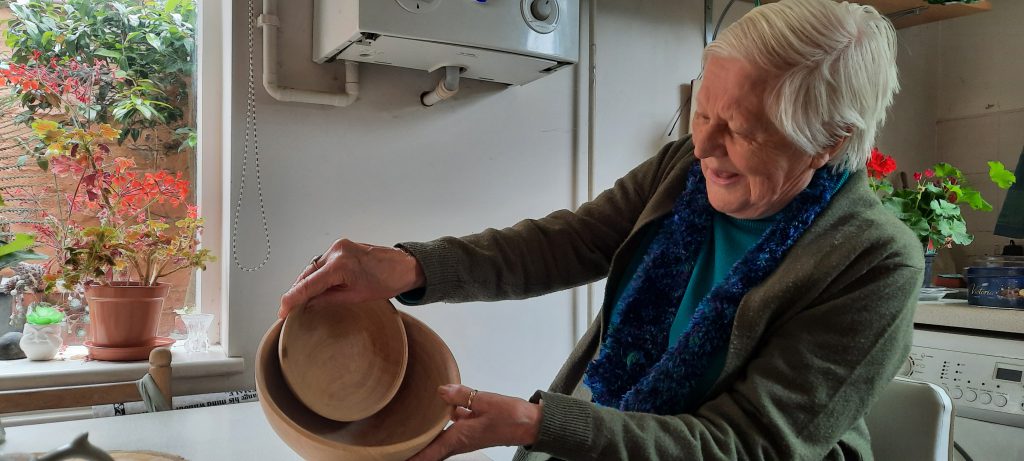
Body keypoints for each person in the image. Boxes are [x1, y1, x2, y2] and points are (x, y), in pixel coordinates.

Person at [280, 0, 923, 459]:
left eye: (745, 130)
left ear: (828, 144)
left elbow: (751, 445)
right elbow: (569, 242)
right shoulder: (683, 171)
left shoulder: (874, 261)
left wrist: (540, 425)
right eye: (700, 113)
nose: (705, 146)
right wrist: (412, 265)